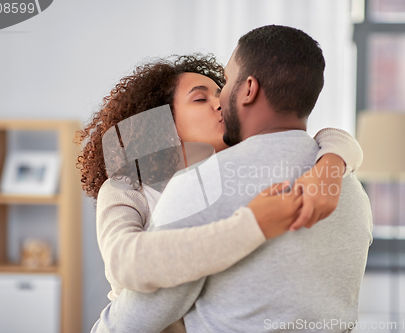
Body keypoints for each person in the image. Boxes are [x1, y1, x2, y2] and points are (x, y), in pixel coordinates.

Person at [91, 25, 372, 333]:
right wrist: (253, 224)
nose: (220, 101)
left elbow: (330, 138)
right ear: (160, 120)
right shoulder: (128, 188)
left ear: (248, 90)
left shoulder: (222, 180)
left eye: (221, 88)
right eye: (200, 99)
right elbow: (125, 261)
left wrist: (329, 166)